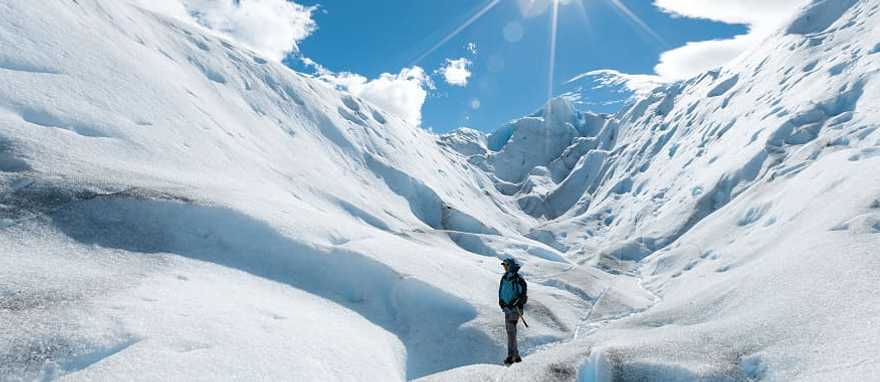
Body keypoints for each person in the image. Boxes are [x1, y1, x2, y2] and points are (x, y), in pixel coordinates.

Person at [498, 257, 527, 365]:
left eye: (506, 265)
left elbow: (523, 296)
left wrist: (517, 302)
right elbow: (501, 291)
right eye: (504, 265)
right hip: (506, 309)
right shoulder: (505, 277)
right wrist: (501, 302)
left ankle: (511, 356)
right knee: (511, 332)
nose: (504, 267)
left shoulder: (518, 279)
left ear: (511, 266)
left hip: (515, 310)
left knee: (511, 332)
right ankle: (516, 356)